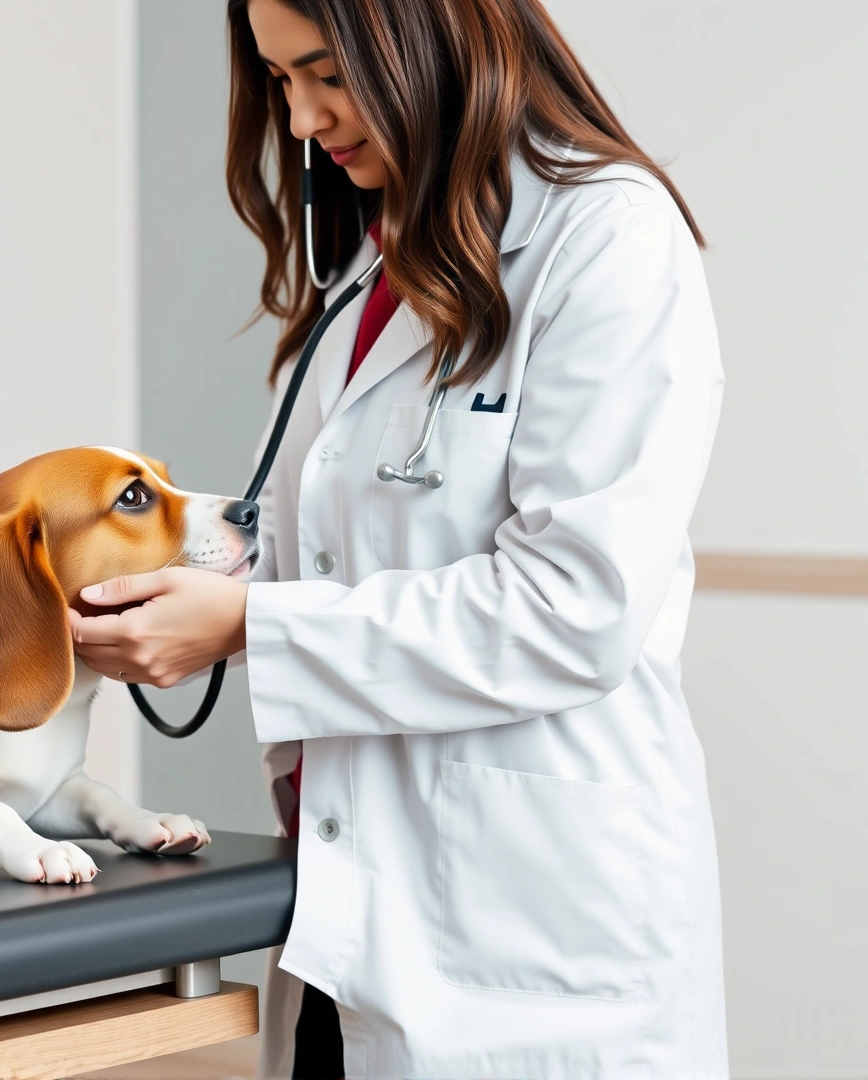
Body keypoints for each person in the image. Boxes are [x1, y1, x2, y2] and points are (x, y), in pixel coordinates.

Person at [69, 0, 727, 1075]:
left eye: (324, 72)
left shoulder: (604, 236)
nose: (300, 118)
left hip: (531, 945)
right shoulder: (372, 272)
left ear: (430, 35)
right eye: (281, 81)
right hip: (348, 916)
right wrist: (136, 575)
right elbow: (306, 549)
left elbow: (576, 609)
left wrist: (245, 623)